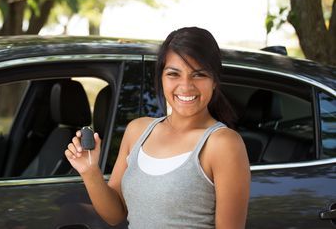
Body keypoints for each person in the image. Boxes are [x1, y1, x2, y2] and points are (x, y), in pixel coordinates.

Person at [65, 27, 250, 228]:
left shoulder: (223, 144)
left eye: (199, 75)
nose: (186, 86)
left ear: (214, 81)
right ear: (161, 77)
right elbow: (115, 215)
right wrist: (90, 171)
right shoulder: (137, 131)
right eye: (174, 74)